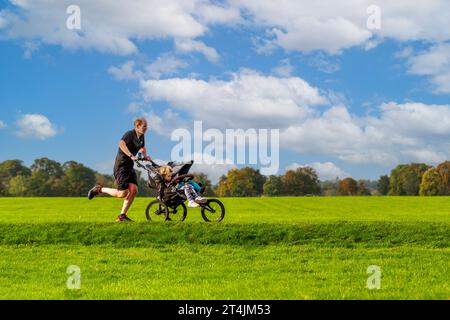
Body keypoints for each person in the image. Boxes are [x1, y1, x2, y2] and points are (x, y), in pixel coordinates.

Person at [87, 118, 151, 222]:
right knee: (122, 194)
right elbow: (121, 144)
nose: (146, 128)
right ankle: (99, 189)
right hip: (121, 166)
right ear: (137, 126)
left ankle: (122, 216)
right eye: (144, 126)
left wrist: (146, 156)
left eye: (146, 126)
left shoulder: (142, 136)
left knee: (134, 190)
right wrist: (131, 155)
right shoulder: (129, 134)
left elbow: (142, 148)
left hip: (129, 166)